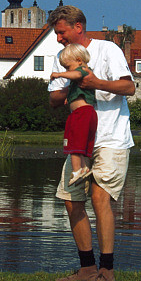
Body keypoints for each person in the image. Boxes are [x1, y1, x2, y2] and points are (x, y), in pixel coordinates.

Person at [47, 5, 135, 281]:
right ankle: (87, 267)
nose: (58, 38)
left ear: (78, 27)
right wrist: (67, 88)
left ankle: (107, 272)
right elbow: (53, 100)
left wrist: (95, 82)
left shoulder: (107, 50)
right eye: (56, 33)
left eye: (61, 32)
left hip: (111, 137)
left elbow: (129, 88)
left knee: (100, 197)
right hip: (80, 141)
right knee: (71, 199)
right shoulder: (63, 59)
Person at [50, 43, 98, 186]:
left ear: (78, 60)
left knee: (74, 143)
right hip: (83, 113)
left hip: (82, 114)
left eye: (67, 67)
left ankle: (77, 171)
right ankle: (83, 168)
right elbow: (77, 89)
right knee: (80, 144)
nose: (66, 71)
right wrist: (69, 97)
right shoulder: (78, 80)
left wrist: (59, 74)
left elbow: (76, 74)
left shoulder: (83, 70)